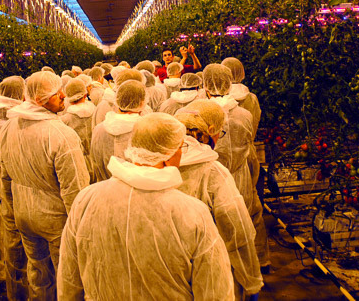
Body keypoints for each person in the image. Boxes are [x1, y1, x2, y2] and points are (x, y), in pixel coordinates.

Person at [58, 113, 234, 300]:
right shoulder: (192, 213)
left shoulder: (86, 199)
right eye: (181, 147)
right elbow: (215, 290)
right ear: (169, 155)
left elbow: (69, 278)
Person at [0, 71, 90, 300]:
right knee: (68, 278)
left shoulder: (9, 127)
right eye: (56, 94)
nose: (63, 96)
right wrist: (81, 229)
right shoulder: (61, 135)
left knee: (38, 274)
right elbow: (75, 189)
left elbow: (5, 175)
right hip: (56, 219)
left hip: (23, 213)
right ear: (40, 100)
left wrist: (11, 212)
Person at [175, 101, 263, 300]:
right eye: (220, 133)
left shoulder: (158, 163)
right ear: (211, 130)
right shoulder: (213, 173)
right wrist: (251, 279)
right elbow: (236, 231)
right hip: (207, 273)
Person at [203, 63, 270, 272]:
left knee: (217, 224)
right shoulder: (244, 113)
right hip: (242, 171)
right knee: (249, 217)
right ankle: (256, 263)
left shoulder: (200, 113)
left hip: (212, 177)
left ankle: (222, 268)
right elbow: (251, 135)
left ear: (206, 87)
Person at [0, 76, 27, 301]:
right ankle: (21, 290)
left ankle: (15, 290)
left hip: (5, 187)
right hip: (13, 188)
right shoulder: (13, 123)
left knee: (12, 240)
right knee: (18, 243)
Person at [90, 80, 146, 182]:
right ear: (142, 102)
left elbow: (95, 161)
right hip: (135, 189)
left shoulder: (99, 129)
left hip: (105, 186)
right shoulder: (145, 130)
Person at [61, 78, 96, 177]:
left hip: (77, 163)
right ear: (85, 94)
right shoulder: (96, 111)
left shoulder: (64, 120)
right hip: (96, 159)